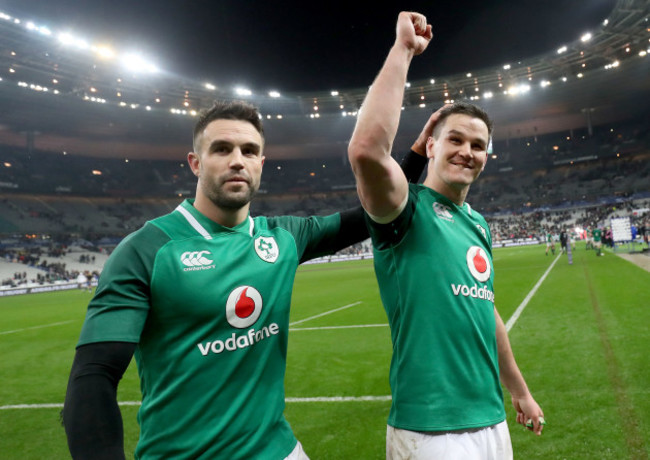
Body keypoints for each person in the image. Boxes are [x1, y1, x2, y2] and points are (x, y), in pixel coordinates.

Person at [62, 100, 428, 459]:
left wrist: (417, 155)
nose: (238, 160)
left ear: (261, 164)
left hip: (280, 450)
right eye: (222, 149)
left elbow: (368, 211)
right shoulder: (146, 250)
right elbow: (94, 375)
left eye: (249, 151)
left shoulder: (282, 237)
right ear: (195, 163)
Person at [347, 12, 545, 459]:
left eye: (478, 145)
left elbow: (486, 312)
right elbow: (365, 151)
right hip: (433, 431)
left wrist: (520, 391)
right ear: (430, 145)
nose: (468, 152)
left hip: (491, 420)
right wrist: (403, 51)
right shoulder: (402, 208)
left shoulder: (478, 223)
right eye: (455, 139)